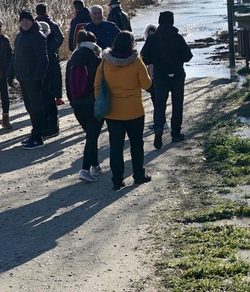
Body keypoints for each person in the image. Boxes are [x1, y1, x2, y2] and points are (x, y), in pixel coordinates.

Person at [93, 30, 152, 189]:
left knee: (116, 147)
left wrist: (102, 100)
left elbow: (97, 86)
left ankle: (117, 180)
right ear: (132, 44)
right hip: (134, 111)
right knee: (136, 145)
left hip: (112, 112)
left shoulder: (105, 62)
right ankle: (139, 175)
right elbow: (146, 85)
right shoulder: (137, 62)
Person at [140, 10, 194, 149]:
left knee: (160, 104)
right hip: (177, 74)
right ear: (172, 21)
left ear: (159, 22)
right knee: (177, 104)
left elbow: (143, 57)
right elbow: (188, 56)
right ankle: (175, 133)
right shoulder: (178, 38)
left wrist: (154, 61)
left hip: (160, 75)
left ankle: (159, 127)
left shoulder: (152, 39)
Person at [65, 29, 104, 182]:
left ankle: (95, 165)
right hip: (93, 105)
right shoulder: (98, 60)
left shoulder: (71, 62)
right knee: (92, 137)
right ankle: (85, 169)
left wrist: (72, 102)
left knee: (90, 136)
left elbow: (68, 86)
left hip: (77, 105)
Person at [12, 9, 49, 149]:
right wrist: (11, 74)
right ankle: (35, 131)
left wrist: (39, 78)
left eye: (27, 20)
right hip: (23, 77)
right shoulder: (20, 36)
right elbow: (15, 57)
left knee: (36, 107)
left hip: (33, 78)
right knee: (29, 107)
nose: (25, 23)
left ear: (32, 22)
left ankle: (38, 136)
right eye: (22, 21)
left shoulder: (37, 36)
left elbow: (42, 59)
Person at [36, 3, 65, 134]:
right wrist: (54, 47)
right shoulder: (52, 24)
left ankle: (47, 126)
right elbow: (61, 38)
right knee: (49, 99)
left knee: (43, 100)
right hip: (52, 66)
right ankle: (51, 126)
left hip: (39, 72)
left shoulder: (34, 25)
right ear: (46, 11)